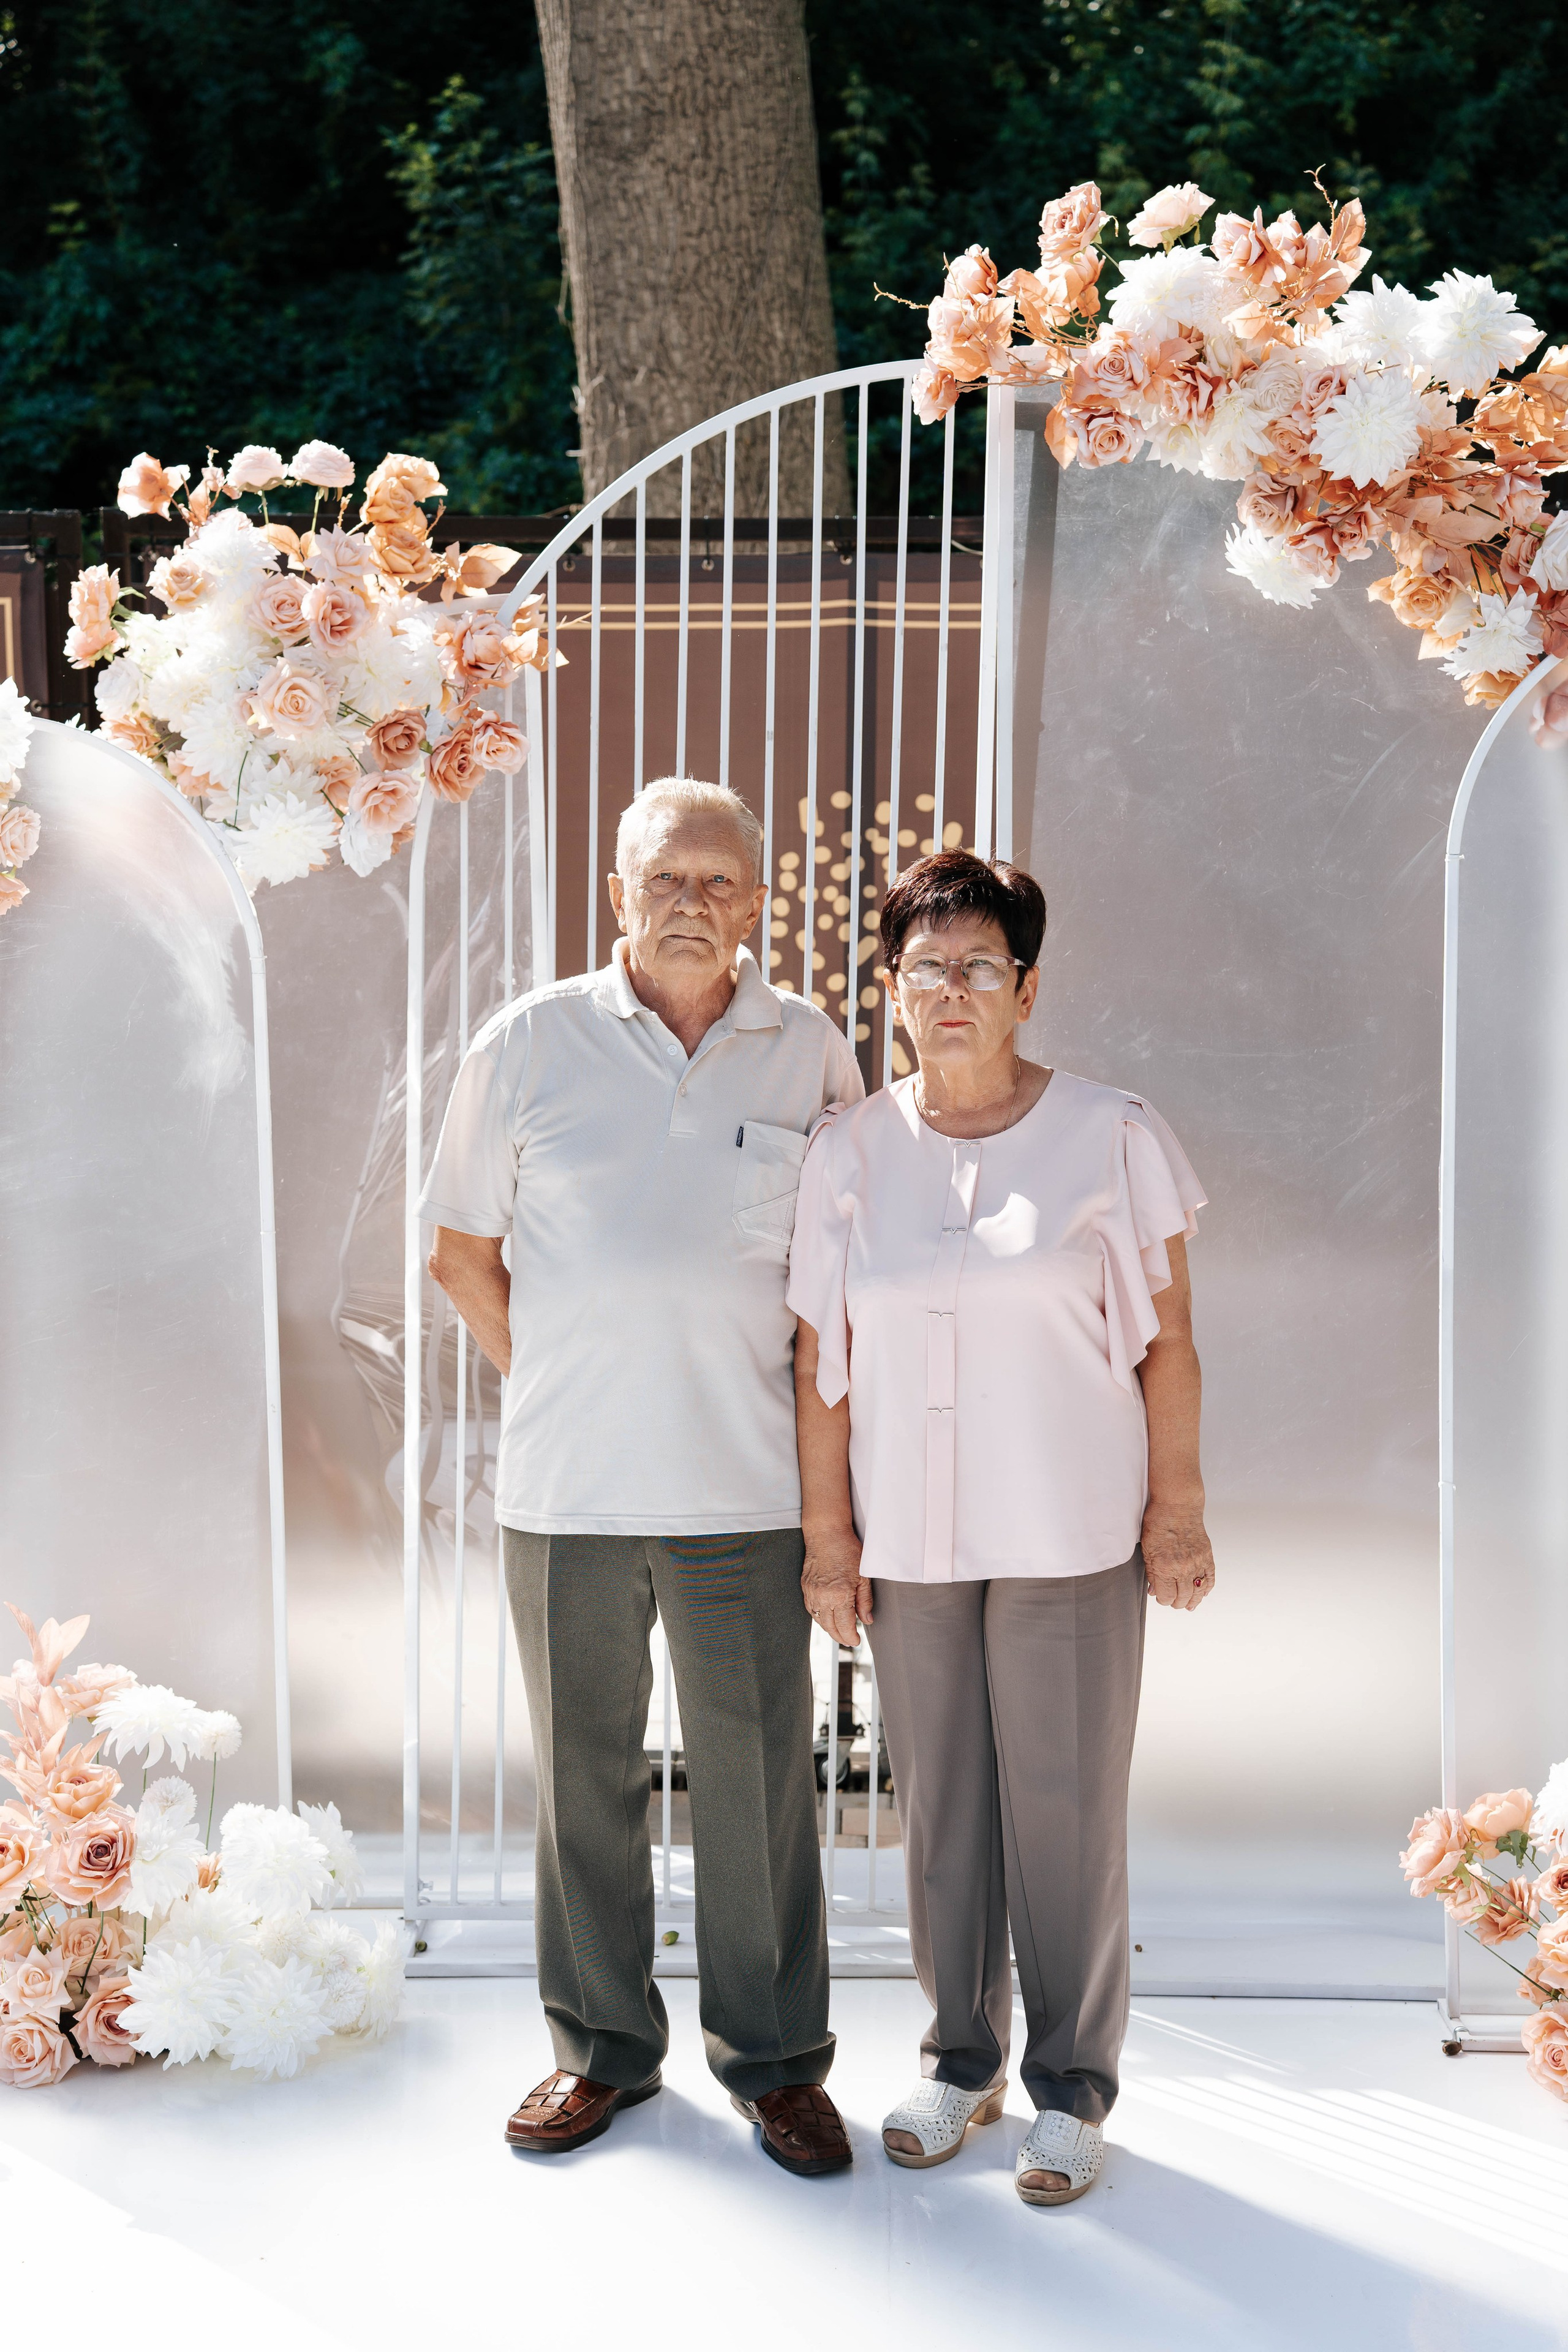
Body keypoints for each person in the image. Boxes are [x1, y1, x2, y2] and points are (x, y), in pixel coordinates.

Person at [420, 775, 863, 2173]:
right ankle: (601, 2050)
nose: (689, 903)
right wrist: (557, 1367)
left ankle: (776, 2065)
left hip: (748, 1496)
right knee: (584, 1784)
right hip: (567, 1497)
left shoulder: (812, 1053)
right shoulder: (526, 1042)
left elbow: (836, 1285)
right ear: (615, 893)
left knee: (757, 1789)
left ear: (758, 904)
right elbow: (459, 1253)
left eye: (718, 881)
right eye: (664, 878)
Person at [787, 848, 1213, 2209]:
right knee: (942, 1813)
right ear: (891, 991)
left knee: (1065, 1814)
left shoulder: (1111, 1134)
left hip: (1070, 1532)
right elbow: (820, 1359)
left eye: (982, 965)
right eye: (926, 968)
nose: (952, 990)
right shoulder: (849, 1151)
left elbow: (1167, 1345)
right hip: (909, 1541)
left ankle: (1072, 2087)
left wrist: (1177, 1511)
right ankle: (959, 2060)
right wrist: (828, 1538)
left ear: (1026, 988)